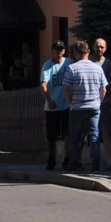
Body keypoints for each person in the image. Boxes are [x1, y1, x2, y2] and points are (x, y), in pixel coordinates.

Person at [63, 40, 109, 172]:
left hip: (77, 108)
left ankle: (74, 164)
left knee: (75, 137)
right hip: (94, 107)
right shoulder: (98, 68)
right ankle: (95, 165)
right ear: (88, 52)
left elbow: (66, 88)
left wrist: (71, 101)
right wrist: (98, 102)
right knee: (94, 136)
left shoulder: (71, 68)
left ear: (76, 54)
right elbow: (104, 89)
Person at [40, 41, 72, 170]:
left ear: (64, 51)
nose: (59, 52)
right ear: (52, 51)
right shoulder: (47, 66)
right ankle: (51, 158)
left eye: (61, 50)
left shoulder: (68, 63)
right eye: (56, 49)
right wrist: (49, 99)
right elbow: (43, 84)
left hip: (66, 104)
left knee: (67, 133)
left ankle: (67, 158)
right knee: (51, 135)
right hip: (52, 106)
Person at [91, 38, 111, 170]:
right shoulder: (88, 62)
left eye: (102, 47)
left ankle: (109, 162)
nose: (99, 49)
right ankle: (92, 162)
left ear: (106, 48)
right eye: (97, 46)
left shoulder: (108, 64)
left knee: (106, 132)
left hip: (105, 102)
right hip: (90, 102)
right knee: (90, 132)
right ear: (93, 47)